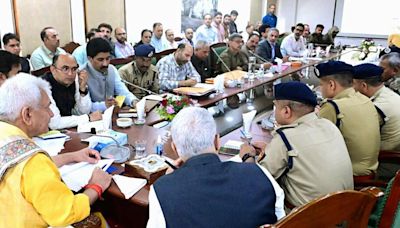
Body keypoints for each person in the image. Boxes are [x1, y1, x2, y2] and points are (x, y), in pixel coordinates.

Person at [0, 74, 112, 227]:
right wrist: (96, 186)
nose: (51, 114)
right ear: (27, 114)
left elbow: (16, 163)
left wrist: (73, 156)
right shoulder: (33, 163)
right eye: (47, 107)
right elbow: (67, 213)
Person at [147, 107, 285, 228]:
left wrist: (169, 180)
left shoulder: (162, 190)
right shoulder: (259, 172)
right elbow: (282, 220)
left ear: (175, 148)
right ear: (217, 141)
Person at [241, 81, 353, 208]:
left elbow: (256, 182)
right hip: (344, 210)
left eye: (275, 106)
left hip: (306, 218)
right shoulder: (328, 125)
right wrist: (270, 150)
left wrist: (247, 157)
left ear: (286, 111)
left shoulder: (285, 138)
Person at [316, 61, 380, 177]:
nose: (320, 89)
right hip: (371, 167)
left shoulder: (333, 107)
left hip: (350, 173)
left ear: (331, 85)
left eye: (321, 85)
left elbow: (315, 142)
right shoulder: (364, 99)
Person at [42, 53, 102, 129]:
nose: (70, 74)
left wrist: (82, 89)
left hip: (67, 130)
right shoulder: (43, 86)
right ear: (53, 70)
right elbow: (54, 123)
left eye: (74, 69)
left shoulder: (75, 79)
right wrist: (88, 118)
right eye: (65, 69)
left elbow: (83, 112)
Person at [81, 37, 138, 112]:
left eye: (108, 58)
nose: (105, 63)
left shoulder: (112, 69)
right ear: (90, 58)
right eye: (100, 60)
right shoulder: (81, 74)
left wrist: (134, 101)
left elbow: (122, 91)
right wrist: (104, 105)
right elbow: (82, 107)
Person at [353, 63, 400, 151]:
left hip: (385, 157)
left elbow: (355, 135)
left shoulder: (376, 107)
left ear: (364, 86)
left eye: (353, 84)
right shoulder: (390, 94)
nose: (352, 88)